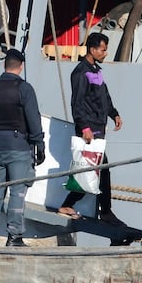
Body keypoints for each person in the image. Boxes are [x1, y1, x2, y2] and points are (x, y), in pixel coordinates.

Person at [0, 49, 45, 247]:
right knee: (17, 192)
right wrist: (39, 144)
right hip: (19, 148)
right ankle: (14, 237)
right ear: (21, 66)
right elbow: (34, 119)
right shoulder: (24, 89)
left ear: (4, 65)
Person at [58, 32, 125, 226]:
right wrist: (84, 127)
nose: (105, 53)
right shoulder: (81, 72)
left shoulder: (96, 70)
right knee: (100, 169)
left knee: (93, 170)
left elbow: (104, 94)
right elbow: (77, 103)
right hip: (89, 130)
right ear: (93, 49)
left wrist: (114, 114)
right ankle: (105, 211)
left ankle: (73, 205)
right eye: (103, 49)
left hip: (98, 127)